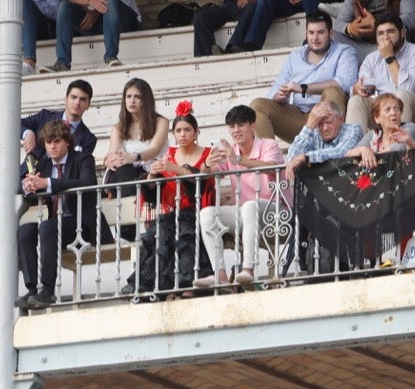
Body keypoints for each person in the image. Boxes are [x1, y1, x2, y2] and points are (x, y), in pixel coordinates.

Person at [195, 104, 285, 289]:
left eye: (240, 125)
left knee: (250, 206)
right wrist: (206, 163)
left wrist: (237, 160)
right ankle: (220, 274)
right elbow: (210, 172)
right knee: (207, 213)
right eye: (232, 126)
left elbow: (270, 167)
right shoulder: (231, 151)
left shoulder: (269, 145)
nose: (235, 131)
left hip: (275, 212)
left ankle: (248, 270)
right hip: (247, 214)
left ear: (253, 126)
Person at [136, 103, 215, 298]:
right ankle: (163, 289)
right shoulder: (169, 154)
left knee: (185, 228)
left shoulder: (207, 154)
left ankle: (189, 283)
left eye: (187, 130)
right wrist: (152, 175)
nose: (183, 134)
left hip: (199, 212)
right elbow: (155, 191)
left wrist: (175, 168)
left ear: (196, 132)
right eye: (178, 130)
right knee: (161, 232)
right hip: (173, 212)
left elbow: (203, 182)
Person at [17, 120, 95, 310]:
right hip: (53, 229)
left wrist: (48, 183)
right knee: (25, 230)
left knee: (47, 227)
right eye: (48, 142)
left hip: (79, 225)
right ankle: (33, 289)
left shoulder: (82, 158)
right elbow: (22, 184)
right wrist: (29, 187)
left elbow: (86, 182)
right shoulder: (41, 163)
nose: (52, 146)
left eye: (57, 141)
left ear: (67, 142)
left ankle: (48, 290)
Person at [249, 13, 356, 143]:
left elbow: (344, 83)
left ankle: (332, 150)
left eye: (320, 32)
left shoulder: (344, 52)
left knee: (333, 91)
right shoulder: (295, 56)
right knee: (258, 105)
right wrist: (279, 96)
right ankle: (269, 158)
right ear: (306, 34)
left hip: (329, 117)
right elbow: (275, 90)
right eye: (311, 33)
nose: (315, 38)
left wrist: (303, 88)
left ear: (331, 33)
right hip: (300, 117)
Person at [347, 17, 415, 136]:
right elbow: (368, 90)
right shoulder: (371, 58)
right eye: (380, 33)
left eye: (390, 32)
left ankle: (399, 147)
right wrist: (357, 90)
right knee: (356, 100)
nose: (385, 37)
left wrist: (389, 58)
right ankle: (355, 150)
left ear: (402, 33)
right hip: (384, 110)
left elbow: (406, 88)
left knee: (400, 95)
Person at [102, 77, 169, 193]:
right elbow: (112, 152)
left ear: (146, 100)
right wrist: (108, 160)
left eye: (137, 97)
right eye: (128, 96)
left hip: (154, 173)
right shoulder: (118, 128)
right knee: (122, 167)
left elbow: (155, 149)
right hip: (128, 174)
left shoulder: (161, 122)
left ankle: (135, 203)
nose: (132, 101)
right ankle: (133, 203)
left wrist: (134, 156)